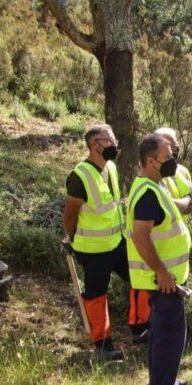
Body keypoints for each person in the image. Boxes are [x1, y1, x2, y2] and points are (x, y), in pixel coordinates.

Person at [61, 124, 147, 362]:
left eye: (113, 139)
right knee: (97, 295)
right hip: (93, 249)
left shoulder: (111, 167)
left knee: (139, 278)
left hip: (117, 243)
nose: (113, 144)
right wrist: (70, 237)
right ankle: (102, 344)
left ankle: (140, 327)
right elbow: (70, 214)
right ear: (93, 145)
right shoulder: (79, 176)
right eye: (107, 140)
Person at [126, 133, 192, 385]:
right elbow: (140, 237)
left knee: (161, 333)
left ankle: (165, 381)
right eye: (168, 157)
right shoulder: (147, 193)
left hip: (165, 277)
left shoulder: (156, 186)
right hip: (163, 279)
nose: (173, 161)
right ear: (152, 161)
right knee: (169, 335)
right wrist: (163, 273)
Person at [155, 127, 192, 215]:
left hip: (182, 228)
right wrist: (187, 199)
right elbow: (168, 207)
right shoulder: (154, 174)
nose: (173, 151)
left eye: (175, 146)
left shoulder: (183, 170)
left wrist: (182, 205)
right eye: (169, 146)